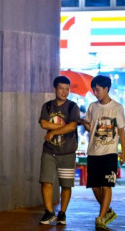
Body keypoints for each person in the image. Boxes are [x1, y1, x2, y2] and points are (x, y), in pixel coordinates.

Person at [79, 75, 125, 230]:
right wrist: (85, 124)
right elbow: (89, 125)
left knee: (106, 185)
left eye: (98, 89)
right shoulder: (92, 107)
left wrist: (123, 151)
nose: (95, 92)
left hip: (110, 153)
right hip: (93, 152)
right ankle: (108, 211)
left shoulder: (117, 108)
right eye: (94, 90)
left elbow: (121, 131)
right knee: (94, 186)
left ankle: (101, 218)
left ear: (106, 89)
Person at [37, 76, 80, 225]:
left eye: (67, 89)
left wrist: (53, 131)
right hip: (49, 151)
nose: (64, 92)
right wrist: (63, 127)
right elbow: (43, 123)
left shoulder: (72, 106)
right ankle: (49, 212)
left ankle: (62, 213)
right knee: (45, 181)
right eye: (61, 88)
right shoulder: (47, 106)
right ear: (55, 89)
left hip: (68, 152)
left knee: (66, 184)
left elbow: (72, 127)